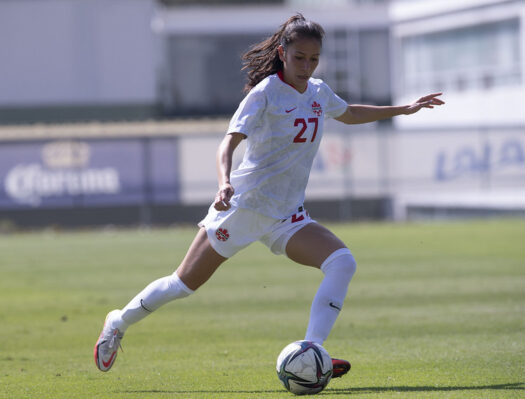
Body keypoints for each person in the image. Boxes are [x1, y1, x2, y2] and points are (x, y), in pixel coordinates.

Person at [94, 14, 444, 377]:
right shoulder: (265, 94)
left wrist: (405, 108)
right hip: (244, 207)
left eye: (313, 59)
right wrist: (223, 183)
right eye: (299, 58)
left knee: (342, 262)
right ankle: (118, 322)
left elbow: (350, 112)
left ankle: (312, 350)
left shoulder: (319, 92)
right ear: (282, 53)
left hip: (286, 215)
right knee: (182, 285)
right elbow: (228, 143)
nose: (306, 66)